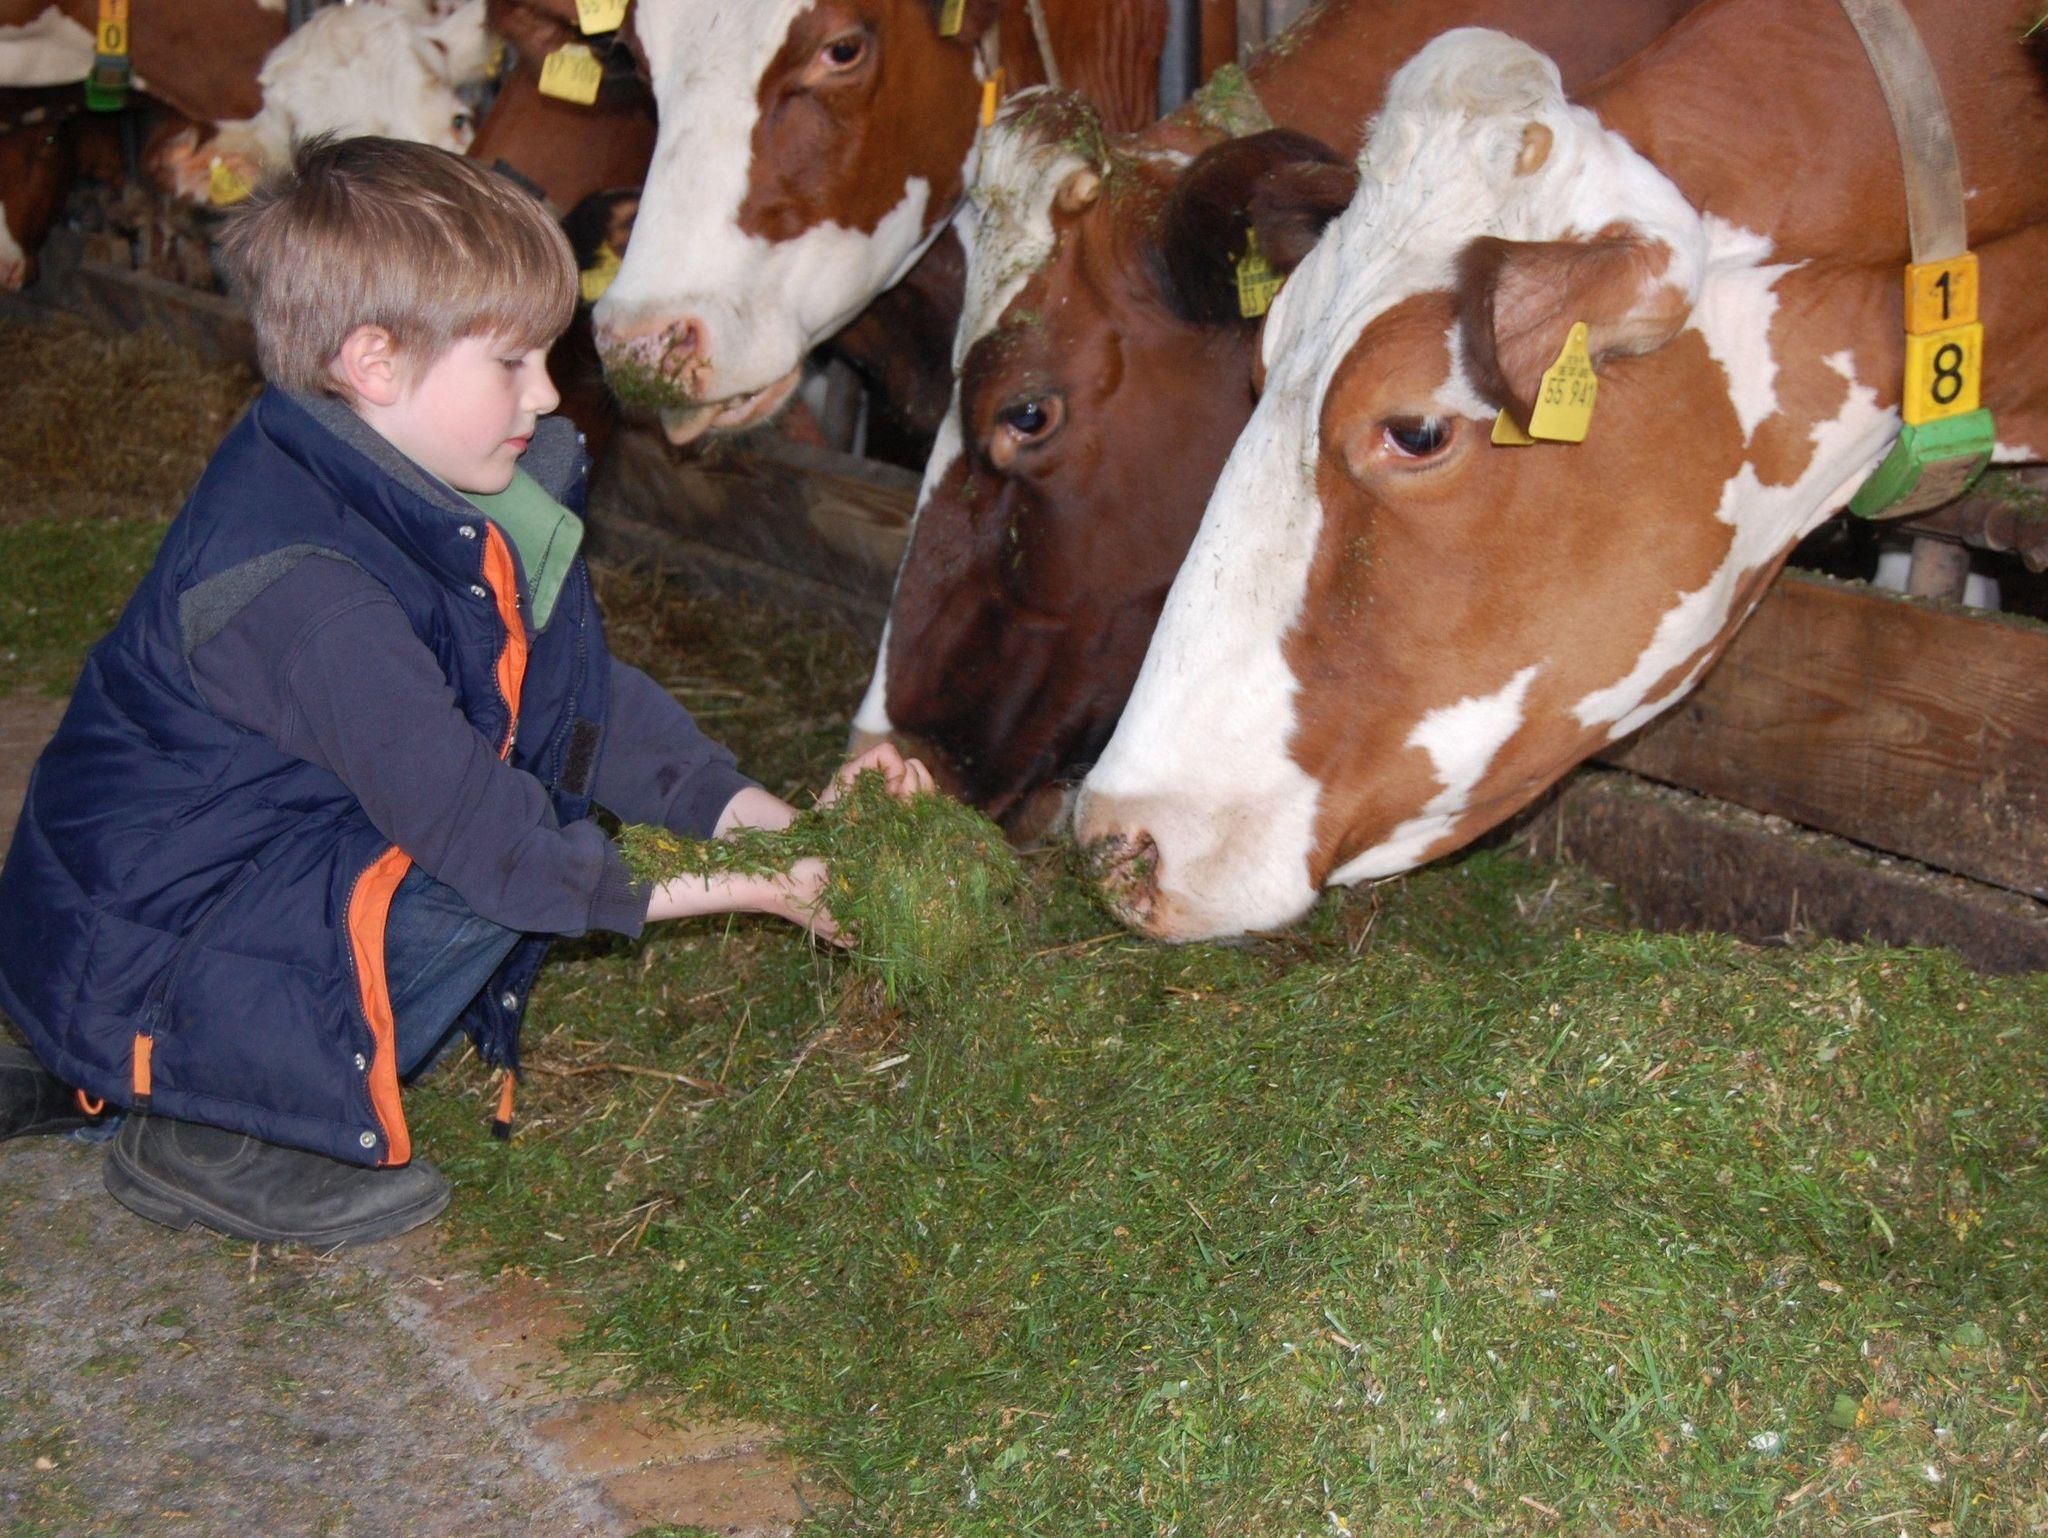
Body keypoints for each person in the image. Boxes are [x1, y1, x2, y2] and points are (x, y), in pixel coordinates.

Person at [0, 135, 931, 1248]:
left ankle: (130, 1058)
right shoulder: (306, 593)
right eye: (511, 362)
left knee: (503, 798)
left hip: (181, 905)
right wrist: (763, 887)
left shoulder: (412, 479)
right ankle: (212, 1127)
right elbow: (499, 850)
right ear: (375, 362)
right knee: (481, 866)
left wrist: (782, 835)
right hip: (142, 953)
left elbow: (581, 703)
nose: (547, 393)